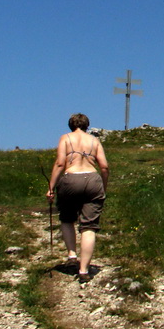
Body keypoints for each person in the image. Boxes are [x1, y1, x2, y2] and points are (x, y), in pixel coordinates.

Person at [46, 113, 109, 283]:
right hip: (93, 179)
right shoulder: (94, 141)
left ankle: (72, 254)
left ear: (70, 124)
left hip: (71, 178)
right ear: (87, 125)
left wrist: (51, 188)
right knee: (89, 226)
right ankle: (84, 270)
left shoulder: (65, 138)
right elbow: (104, 166)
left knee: (67, 219)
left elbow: (60, 163)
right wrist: (103, 186)